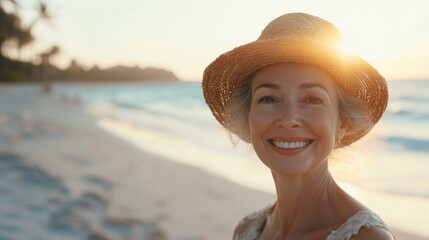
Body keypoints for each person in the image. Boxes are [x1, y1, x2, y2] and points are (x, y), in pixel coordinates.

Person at [202, 13, 395, 240]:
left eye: (312, 99)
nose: (288, 119)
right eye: (269, 99)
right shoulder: (247, 230)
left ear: (342, 122)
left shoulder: (367, 238)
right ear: (248, 116)